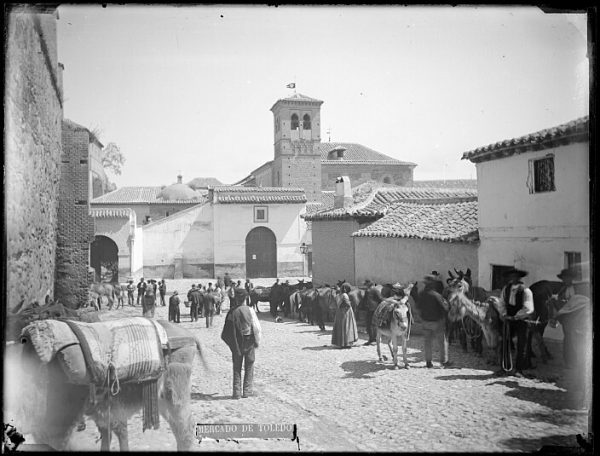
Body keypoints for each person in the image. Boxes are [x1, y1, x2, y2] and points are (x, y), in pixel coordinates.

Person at [221, 292, 262, 399]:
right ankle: (247, 391)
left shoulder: (232, 312)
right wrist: (257, 341)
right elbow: (256, 328)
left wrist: (231, 344)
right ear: (246, 298)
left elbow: (226, 331)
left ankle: (236, 392)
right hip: (249, 341)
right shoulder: (250, 310)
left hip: (236, 342)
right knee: (249, 365)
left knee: (237, 367)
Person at [498, 267, 534, 377]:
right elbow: (502, 303)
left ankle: (519, 370)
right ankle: (505, 367)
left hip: (522, 320)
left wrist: (517, 316)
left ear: (519, 278)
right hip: (509, 319)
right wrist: (504, 314)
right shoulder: (506, 289)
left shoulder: (526, 291)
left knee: (521, 344)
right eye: (511, 276)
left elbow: (528, 308)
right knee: (505, 343)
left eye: (515, 276)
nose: (513, 278)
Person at [416, 274, 451, 368]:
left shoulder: (421, 294)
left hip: (425, 322)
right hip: (437, 322)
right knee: (442, 342)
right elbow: (445, 308)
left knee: (427, 343)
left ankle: (428, 362)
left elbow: (418, 308)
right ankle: (443, 361)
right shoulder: (436, 295)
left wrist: (422, 319)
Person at [555, 268, 577, 368]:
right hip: (567, 318)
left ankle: (575, 361)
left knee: (574, 339)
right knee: (568, 338)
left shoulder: (577, 289)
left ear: (571, 278)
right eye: (564, 278)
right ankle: (569, 362)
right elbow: (559, 302)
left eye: (567, 278)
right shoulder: (562, 290)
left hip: (576, 317)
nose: (565, 280)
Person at [331, 283, 359, 348]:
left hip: (339, 312)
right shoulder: (345, 295)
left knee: (340, 326)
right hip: (346, 312)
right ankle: (346, 343)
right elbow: (347, 304)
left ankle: (340, 343)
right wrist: (350, 303)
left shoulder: (338, 295)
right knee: (347, 326)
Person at [363, 279, 383, 345]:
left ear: (369, 285)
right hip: (370, 309)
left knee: (372, 324)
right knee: (369, 324)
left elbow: (380, 299)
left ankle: (374, 339)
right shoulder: (370, 291)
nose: (366, 286)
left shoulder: (374, 291)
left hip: (373, 309)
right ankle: (371, 339)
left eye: (366, 285)